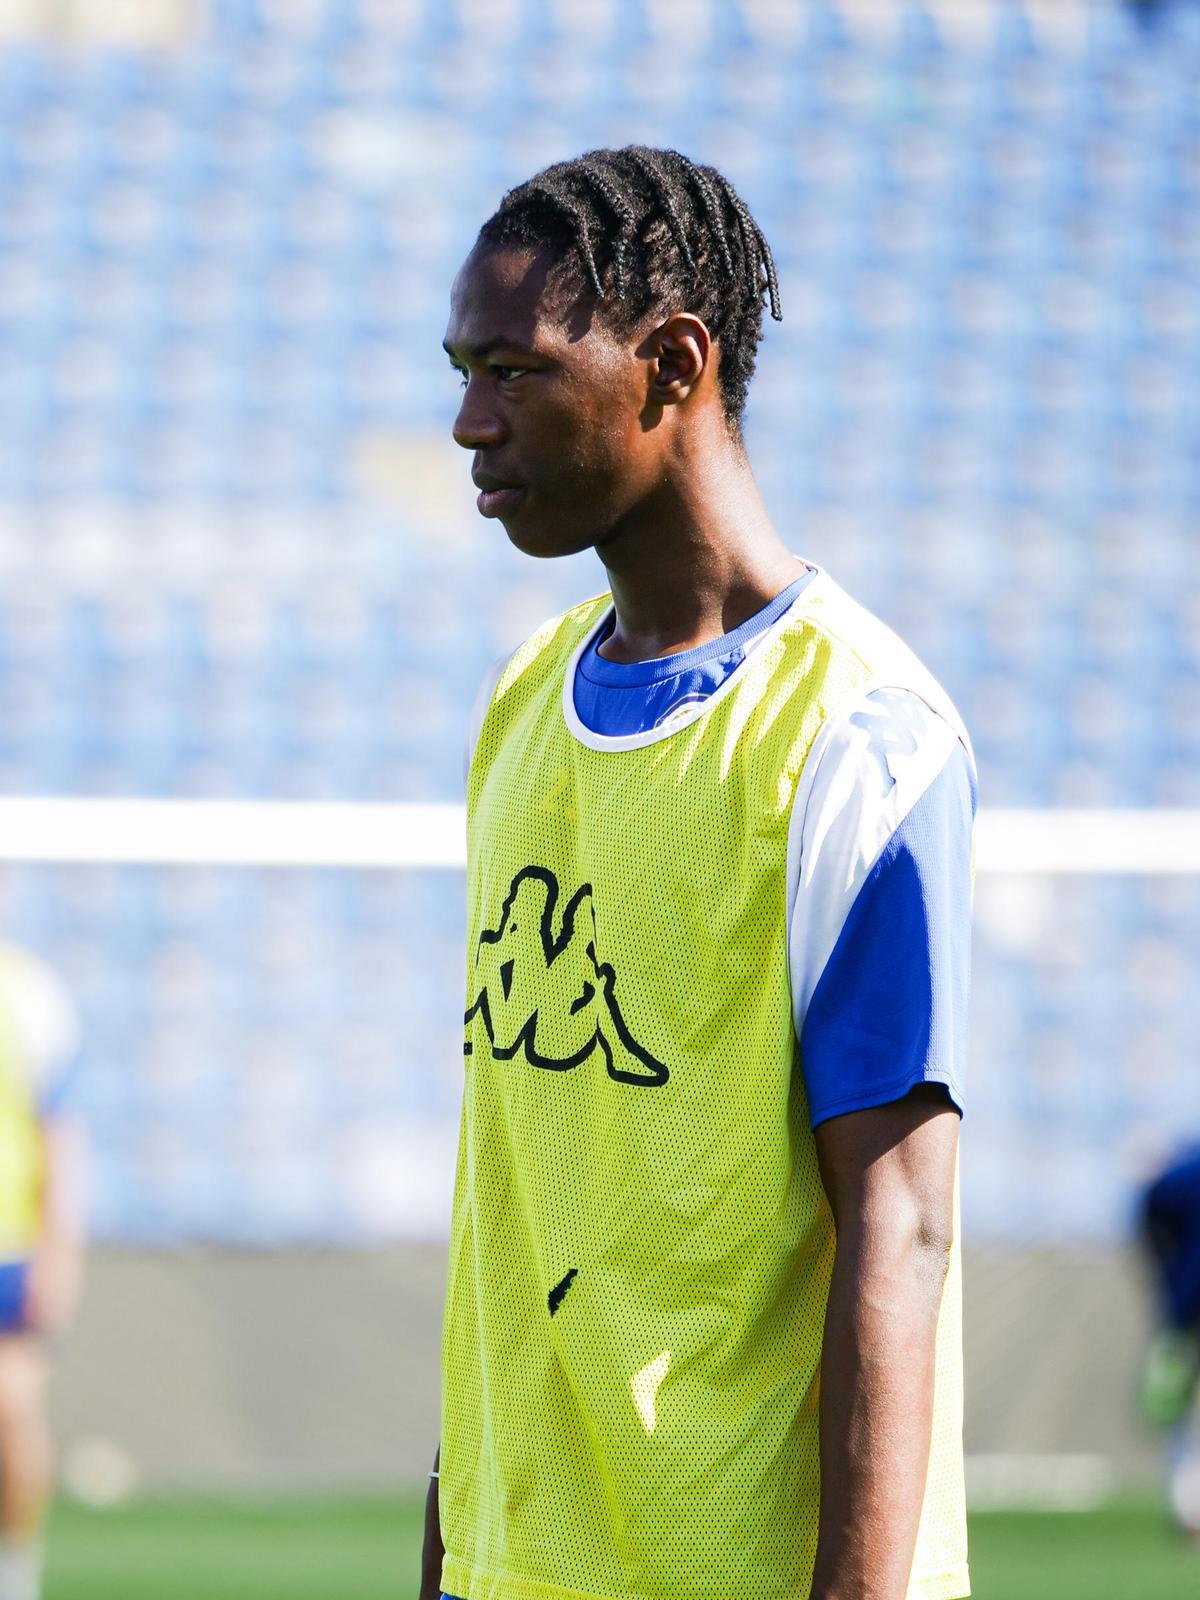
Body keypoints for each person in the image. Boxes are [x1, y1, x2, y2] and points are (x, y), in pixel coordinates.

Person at [423, 146, 975, 1600]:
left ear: (673, 365)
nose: (470, 421)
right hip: (518, 1565)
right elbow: (512, 1204)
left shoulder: (861, 740)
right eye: (459, 371)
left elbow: (900, 1229)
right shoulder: (521, 706)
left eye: (515, 371)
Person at [0, 943, 85, 1600]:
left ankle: (14, 1576)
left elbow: (58, 1130)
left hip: (9, 1251)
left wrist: (58, 1253)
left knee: (11, 1410)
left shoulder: (27, 990)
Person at [1140, 1145, 1200, 1535]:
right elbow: (1153, 1203)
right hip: (1187, 1301)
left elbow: (1152, 1205)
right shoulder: (1189, 1172)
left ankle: (1188, 1507)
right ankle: (1188, 1508)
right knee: (1178, 1405)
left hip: (1185, 1298)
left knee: (1180, 1410)